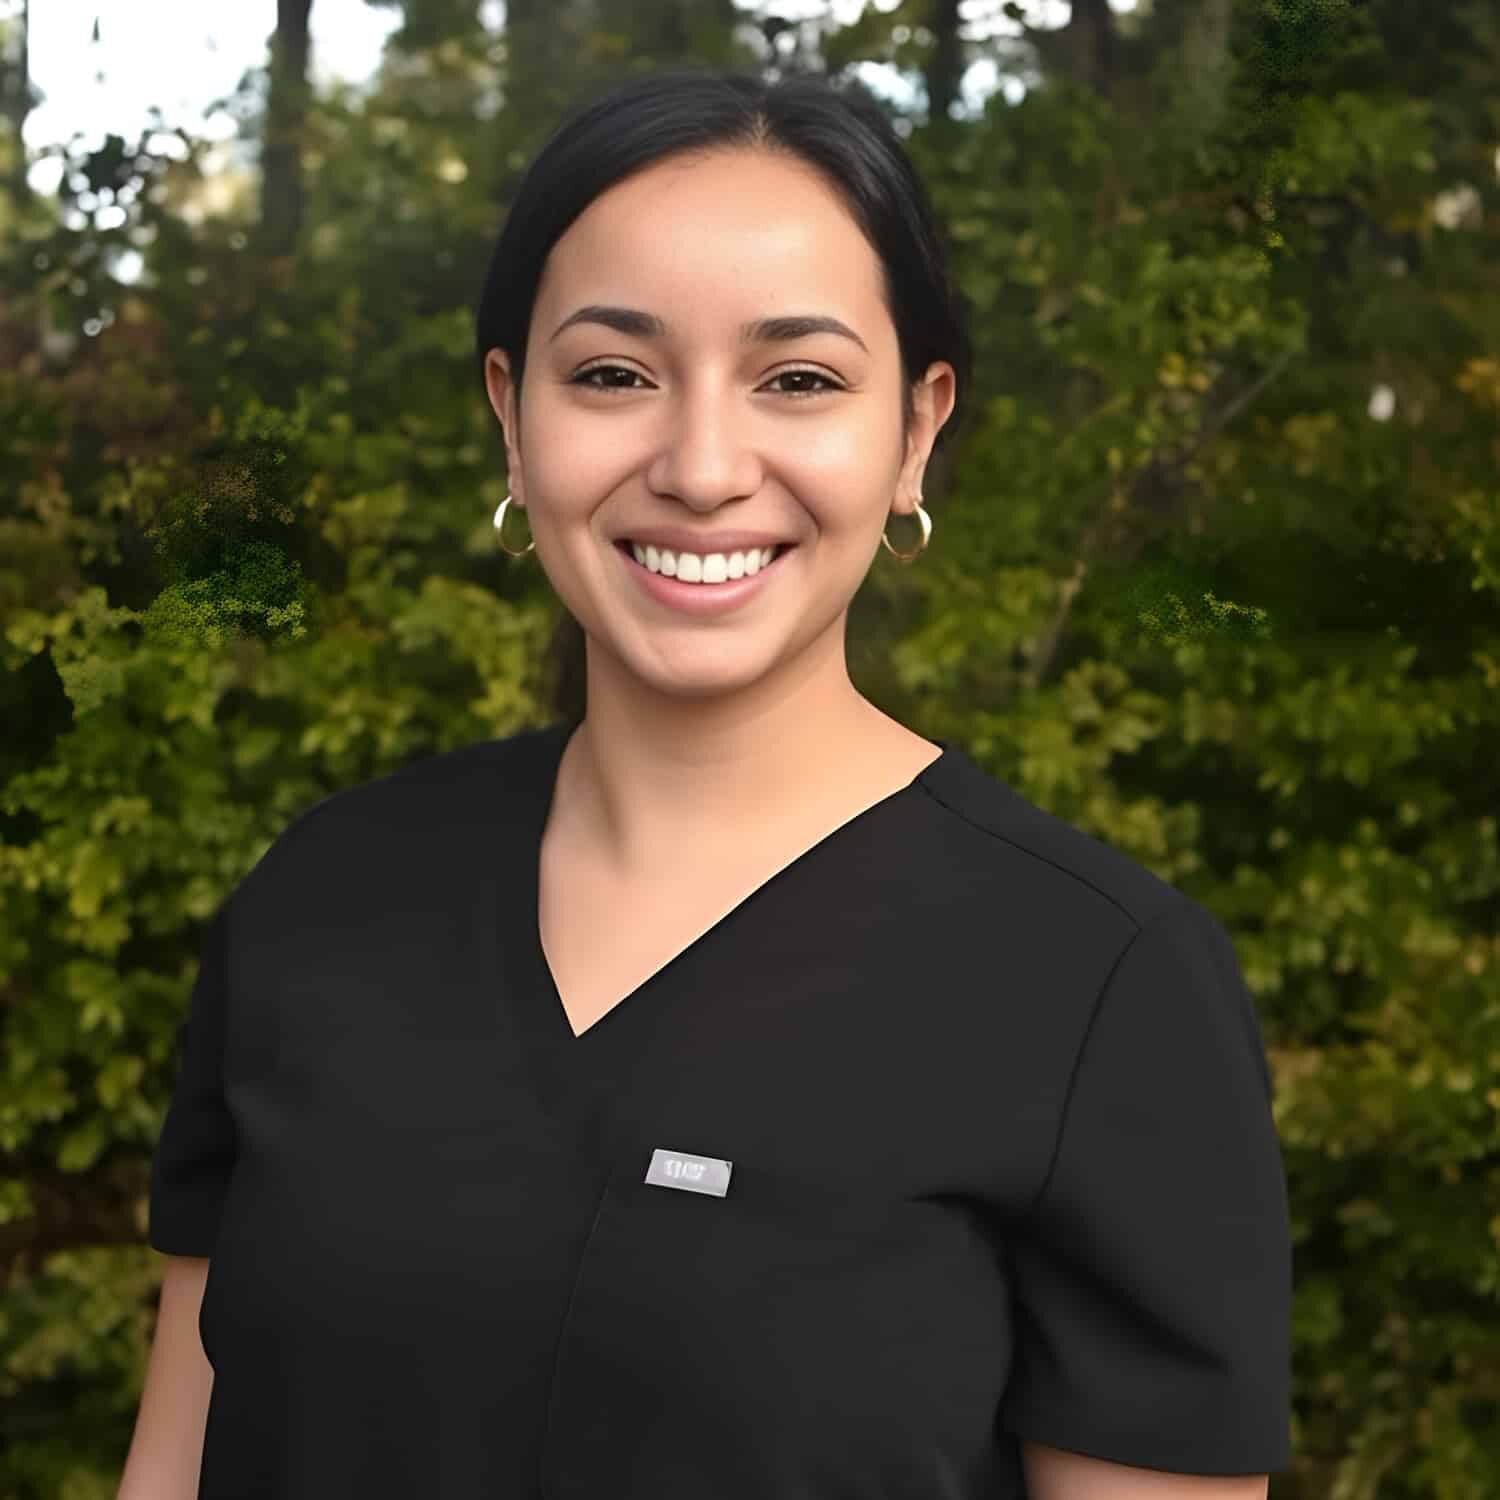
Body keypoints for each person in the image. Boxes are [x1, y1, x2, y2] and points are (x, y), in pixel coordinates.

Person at [126, 67, 1291, 1500]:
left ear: (917, 431)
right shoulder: (322, 899)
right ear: (511, 414)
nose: (701, 465)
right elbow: (174, 1468)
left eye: (797, 378)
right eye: (614, 374)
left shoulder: (1104, 986)